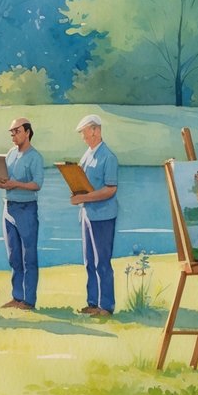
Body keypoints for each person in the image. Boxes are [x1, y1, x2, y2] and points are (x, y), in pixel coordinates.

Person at [70, 114, 119, 317]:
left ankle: (105, 306)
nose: (83, 137)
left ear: (95, 131)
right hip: (88, 215)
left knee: (102, 262)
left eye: (84, 133)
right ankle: (92, 302)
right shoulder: (88, 154)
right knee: (89, 261)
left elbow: (110, 190)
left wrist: (85, 197)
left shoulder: (108, 156)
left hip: (103, 216)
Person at [0, 117, 43, 310]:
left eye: (16, 131)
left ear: (27, 132)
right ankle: (17, 297)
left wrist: (16, 184)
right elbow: (6, 178)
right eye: (11, 132)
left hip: (26, 209)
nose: (13, 135)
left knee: (29, 257)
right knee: (14, 256)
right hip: (8, 208)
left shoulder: (35, 157)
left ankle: (29, 301)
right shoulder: (9, 154)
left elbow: (37, 184)